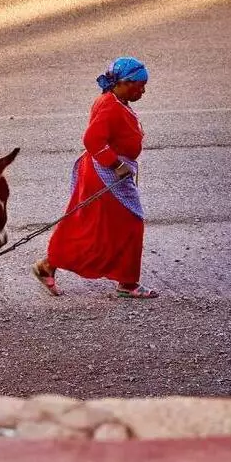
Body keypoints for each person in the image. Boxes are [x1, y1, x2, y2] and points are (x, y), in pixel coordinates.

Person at [32, 56, 158, 299]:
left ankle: (49, 265)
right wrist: (117, 164)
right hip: (107, 174)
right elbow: (92, 140)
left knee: (91, 225)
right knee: (131, 223)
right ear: (122, 83)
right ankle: (127, 283)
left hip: (101, 172)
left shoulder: (113, 100)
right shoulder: (110, 106)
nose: (143, 90)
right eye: (138, 85)